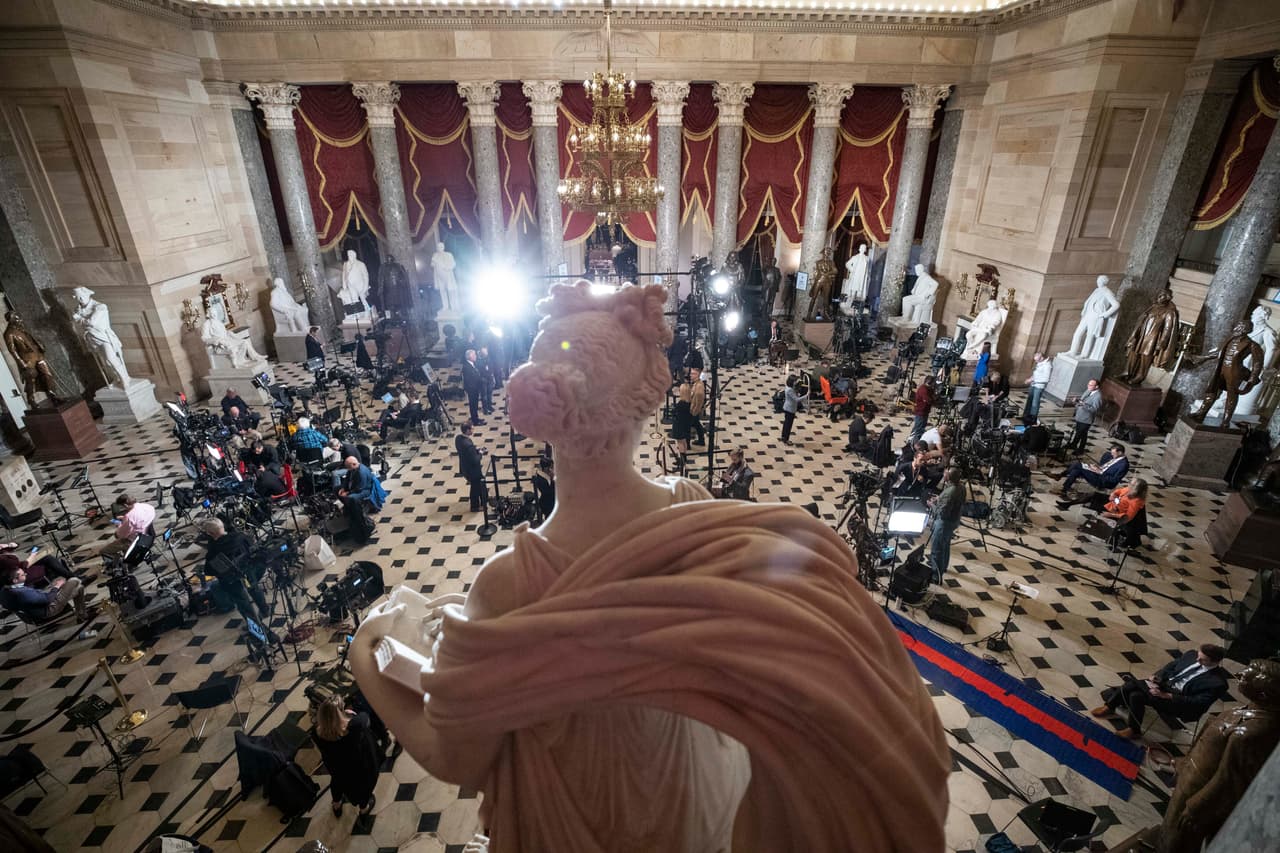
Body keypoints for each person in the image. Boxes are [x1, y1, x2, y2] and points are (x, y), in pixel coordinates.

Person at [1092, 643, 1229, 739]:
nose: (1197, 660)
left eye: (1202, 659)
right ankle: (1133, 729)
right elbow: (1171, 666)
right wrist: (1158, 677)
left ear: (1214, 661)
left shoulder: (1218, 683)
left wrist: (1167, 696)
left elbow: (1198, 703)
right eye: (1198, 656)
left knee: (1133, 690)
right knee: (1135, 694)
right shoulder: (1191, 655)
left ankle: (1110, 706)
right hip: (1165, 685)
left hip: (1179, 701)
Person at [313, 695, 382, 819]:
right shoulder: (355, 726)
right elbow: (365, 718)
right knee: (364, 786)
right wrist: (351, 714)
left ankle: (336, 804)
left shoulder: (316, 734)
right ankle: (363, 808)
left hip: (337, 767)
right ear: (340, 713)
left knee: (337, 782)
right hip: (358, 766)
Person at [199, 518, 269, 628]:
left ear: (210, 533)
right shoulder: (240, 536)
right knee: (254, 589)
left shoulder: (213, 550)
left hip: (231, 581)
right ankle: (264, 610)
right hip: (248, 572)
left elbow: (209, 571)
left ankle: (256, 628)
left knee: (243, 603)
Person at [1, 561, 96, 637]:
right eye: (22, 575)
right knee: (73, 581)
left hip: (31, 613)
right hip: (49, 609)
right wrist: (57, 587)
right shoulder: (22, 593)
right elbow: (48, 599)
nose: (25, 574)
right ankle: (80, 584)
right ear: (15, 580)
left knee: (79, 589)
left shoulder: (4, 591)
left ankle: (82, 615)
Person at [928, 467, 965, 585]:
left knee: (937, 549)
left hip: (944, 523)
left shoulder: (949, 493)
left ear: (948, 477)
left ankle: (936, 576)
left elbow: (942, 513)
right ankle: (943, 567)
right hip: (954, 521)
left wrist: (931, 505)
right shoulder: (961, 487)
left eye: (946, 472)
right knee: (945, 546)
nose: (944, 473)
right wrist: (939, 499)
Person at [1058, 443, 1129, 495]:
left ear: (1120, 452)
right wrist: (1098, 468)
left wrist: (1100, 472)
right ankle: (1064, 490)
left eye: (1114, 453)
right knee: (1077, 470)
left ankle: (1060, 476)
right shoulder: (1112, 456)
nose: (1112, 455)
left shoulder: (1123, 465)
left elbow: (1114, 480)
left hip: (1103, 481)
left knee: (1077, 465)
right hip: (1098, 473)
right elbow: (1105, 467)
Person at [338, 456, 379, 544]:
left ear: (353, 464)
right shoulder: (352, 469)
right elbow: (347, 479)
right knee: (336, 489)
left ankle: (353, 509)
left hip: (364, 490)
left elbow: (360, 488)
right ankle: (347, 506)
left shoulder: (361, 472)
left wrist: (347, 493)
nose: (348, 469)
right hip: (354, 488)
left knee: (352, 498)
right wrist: (343, 488)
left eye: (349, 467)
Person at [455, 422, 488, 513]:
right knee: (475, 488)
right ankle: (475, 507)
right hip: (473, 471)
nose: (473, 430)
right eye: (472, 429)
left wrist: (474, 450)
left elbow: (467, 453)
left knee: (479, 486)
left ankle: (484, 501)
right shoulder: (467, 444)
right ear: (467, 430)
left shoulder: (458, 438)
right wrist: (480, 454)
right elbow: (475, 460)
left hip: (465, 468)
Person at [1067, 378, 1102, 453]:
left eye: (1091, 385)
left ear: (1096, 387)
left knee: (1080, 433)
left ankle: (1080, 449)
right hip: (1080, 416)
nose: (1088, 386)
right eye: (1088, 384)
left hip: (1086, 419)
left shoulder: (1098, 396)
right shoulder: (1088, 391)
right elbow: (1082, 400)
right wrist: (1077, 401)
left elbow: (1094, 409)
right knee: (1081, 433)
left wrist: (1083, 405)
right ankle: (1074, 445)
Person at [1024, 352, 1052, 422]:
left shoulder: (1047, 366)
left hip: (1039, 386)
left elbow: (1046, 379)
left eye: (1037, 360)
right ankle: (1026, 416)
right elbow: (1036, 373)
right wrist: (1030, 378)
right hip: (1033, 384)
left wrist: (1032, 380)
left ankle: (1033, 418)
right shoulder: (1040, 363)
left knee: (1035, 403)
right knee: (1029, 400)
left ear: (1042, 358)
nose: (1036, 362)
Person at [780, 374, 808, 445]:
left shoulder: (789, 387)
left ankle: (783, 437)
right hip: (790, 409)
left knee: (786, 423)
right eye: (795, 381)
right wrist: (806, 396)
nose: (796, 382)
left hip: (788, 407)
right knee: (788, 425)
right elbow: (796, 399)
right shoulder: (790, 390)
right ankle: (786, 439)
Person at [462, 349, 485, 426]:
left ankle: (476, 418)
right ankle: (475, 421)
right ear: (469, 357)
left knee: (475, 405)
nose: (476, 356)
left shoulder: (472, 364)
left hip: (475, 388)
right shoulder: (466, 367)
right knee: (473, 405)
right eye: (474, 355)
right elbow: (469, 380)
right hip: (472, 389)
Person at [671, 383, 694, 463]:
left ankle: (682, 460)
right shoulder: (689, 402)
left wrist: (673, 410)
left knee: (680, 442)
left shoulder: (681, 403)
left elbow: (675, 412)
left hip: (679, 425)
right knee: (684, 441)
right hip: (686, 424)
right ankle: (684, 458)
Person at [911, 376, 935, 443]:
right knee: (918, 429)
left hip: (925, 412)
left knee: (920, 427)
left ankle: (914, 440)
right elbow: (928, 400)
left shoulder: (928, 389)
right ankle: (914, 442)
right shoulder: (923, 390)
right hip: (921, 412)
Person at [689, 371, 708, 446]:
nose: (691, 375)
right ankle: (701, 439)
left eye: (693, 374)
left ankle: (688, 443)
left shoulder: (699, 387)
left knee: (693, 425)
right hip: (693, 409)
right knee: (696, 424)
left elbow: (699, 402)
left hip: (694, 410)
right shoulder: (696, 384)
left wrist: (695, 412)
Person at [476, 346, 496, 416]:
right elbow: (481, 369)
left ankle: (489, 406)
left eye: (486, 351)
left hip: (490, 378)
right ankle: (485, 409)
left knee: (489, 393)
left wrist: (492, 376)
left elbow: (491, 367)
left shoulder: (489, 358)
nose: (486, 352)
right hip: (483, 379)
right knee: (484, 395)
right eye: (485, 351)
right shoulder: (479, 360)